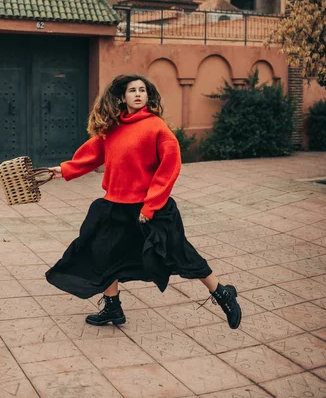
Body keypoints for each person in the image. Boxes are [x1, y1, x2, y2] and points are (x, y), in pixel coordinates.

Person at [46, 74, 242, 329]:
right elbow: (92, 155)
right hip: (115, 206)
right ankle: (112, 308)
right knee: (102, 254)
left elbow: (170, 167)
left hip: (150, 209)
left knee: (180, 254)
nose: (138, 94)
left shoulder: (157, 127)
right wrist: (63, 170)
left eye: (142, 90)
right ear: (122, 97)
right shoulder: (112, 128)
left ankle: (222, 293)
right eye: (132, 90)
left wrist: (150, 206)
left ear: (148, 96)